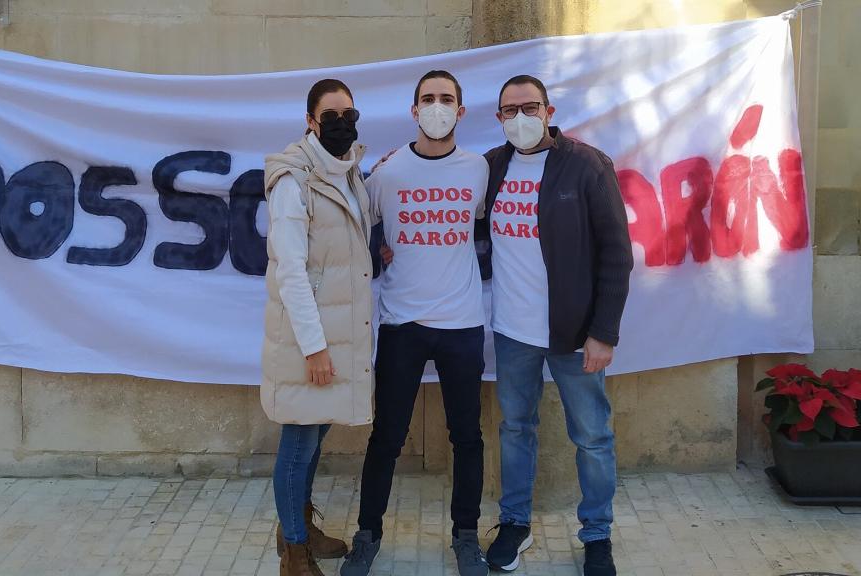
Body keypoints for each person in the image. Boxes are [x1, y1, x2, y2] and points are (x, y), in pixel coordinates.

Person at [480, 75, 633, 576]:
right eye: (509, 110)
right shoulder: (491, 167)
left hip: (573, 335)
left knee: (592, 436)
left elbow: (616, 254)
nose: (519, 118)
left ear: (548, 110)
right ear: (498, 117)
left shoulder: (586, 165)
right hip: (512, 331)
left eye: (529, 107)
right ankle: (514, 523)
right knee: (516, 428)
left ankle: (596, 535)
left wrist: (603, 331)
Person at [340, 70, 489, 576]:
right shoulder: (388, 171)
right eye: (428, 99)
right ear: (413, 110)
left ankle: (465, 536)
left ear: (462, 111)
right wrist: (375, 254)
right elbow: (354, 226)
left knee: (466, 436)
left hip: (463, 323)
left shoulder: (478, 171)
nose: (437, 106)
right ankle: (367, 533)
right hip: (401, 323)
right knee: (387, 435)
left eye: (447, 99)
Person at [262, 78, 375, 576]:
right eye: (330, 115)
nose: (341, 123)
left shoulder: (349, 173)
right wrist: (315, 348)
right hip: (313, 340)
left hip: (339, 334)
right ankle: (293, 552)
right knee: (298, 444)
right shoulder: (294, 182)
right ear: (310, 121)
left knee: (312, 439)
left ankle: (301, 529)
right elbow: (290, 271)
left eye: (349, 113)